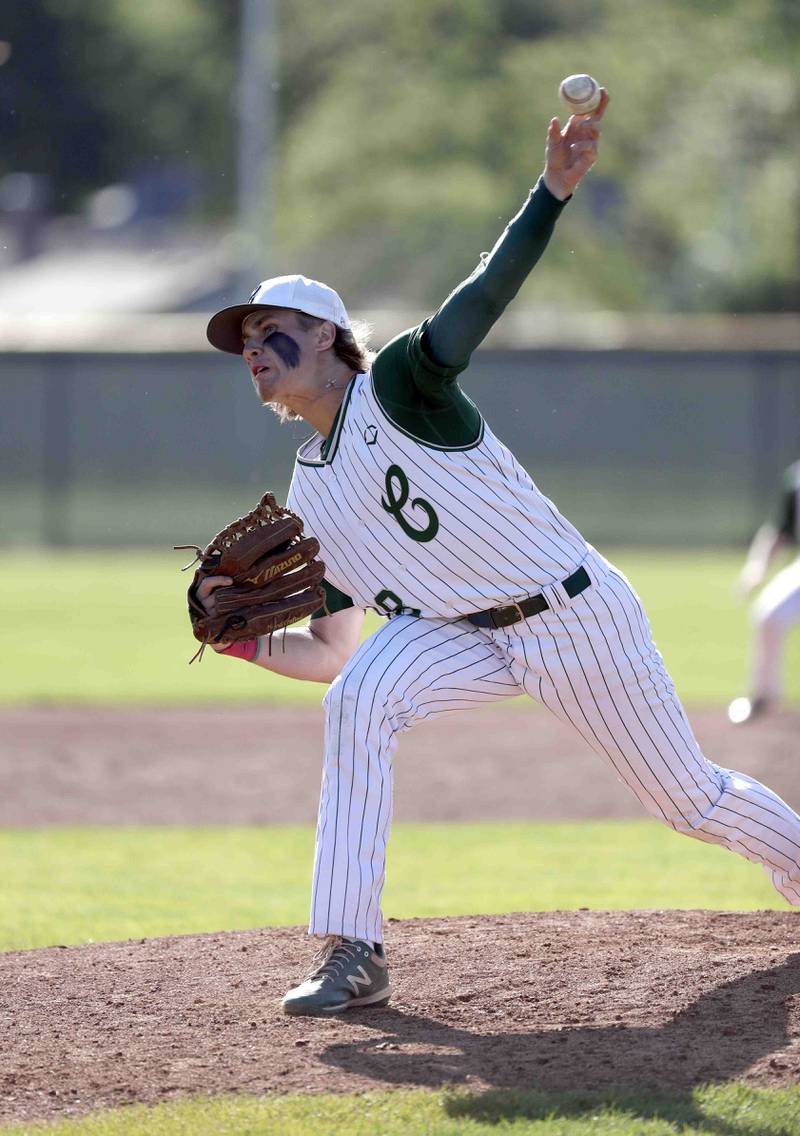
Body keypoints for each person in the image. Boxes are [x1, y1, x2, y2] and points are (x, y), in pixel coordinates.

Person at [200, 91, 800, 1018]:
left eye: (266, 328)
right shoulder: (311, 490)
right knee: (362, 700)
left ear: (325, 335)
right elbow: (333, 653)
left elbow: (480, 299)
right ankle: (350, 949)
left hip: (572, 614)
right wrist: (242, 638)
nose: (252, 349)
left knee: (689, 802)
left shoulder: (400, 382)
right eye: (241, 342)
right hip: (462, 634)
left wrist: (551, 194)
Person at [728, 460, 800, 724]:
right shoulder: (796, 478)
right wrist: (757, 567)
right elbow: (781, 530)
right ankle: (765, 697)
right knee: (768, 616)